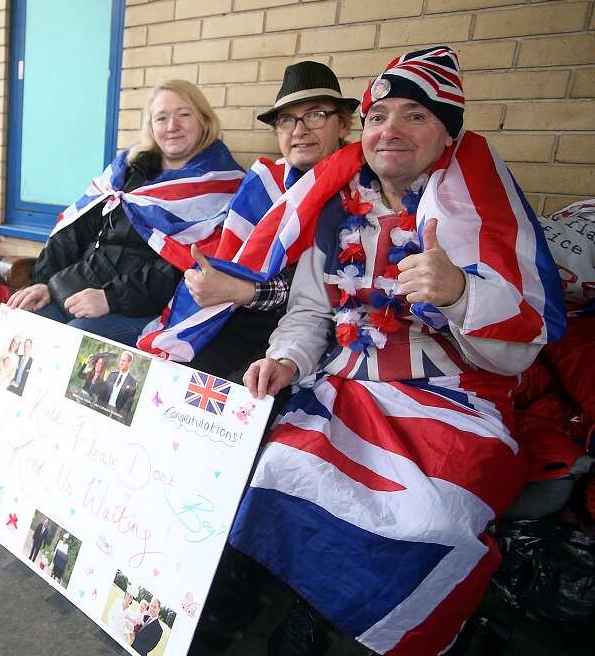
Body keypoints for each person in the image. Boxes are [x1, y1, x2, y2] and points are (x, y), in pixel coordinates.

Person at [224, 47, 565, 656]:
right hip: (347, 387)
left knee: (427, 520)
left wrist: (460, 293)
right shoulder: (331, 209)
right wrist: (286, 360)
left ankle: (381, 633)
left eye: (415, 116)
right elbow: (308, 314)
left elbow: (513, 358)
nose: (391, 131)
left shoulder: (475, 211)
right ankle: (307, 613)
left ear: (446, 132)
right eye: (379, 115)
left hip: (457, 402)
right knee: (274, 472)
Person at [138, 61, 359, 378]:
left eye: (316, 114)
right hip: (236, 319)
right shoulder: (265, 182)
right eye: (287, 120)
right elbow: (228, 256)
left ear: (343, 125)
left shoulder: (361, 193)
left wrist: (240, 291)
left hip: (310, 343)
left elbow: (313, 298)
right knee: (167, 379)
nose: (299, 130)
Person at [6, 80, 244, 346]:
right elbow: (75, 229)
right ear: (151, 127)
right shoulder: (127, 171)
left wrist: (110, 298)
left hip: (150, 307)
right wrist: (43, 281)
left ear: (203, 119)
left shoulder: (221, 185)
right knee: (27, 324)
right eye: (161, 117)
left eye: (184, 114)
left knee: (75, 341)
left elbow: (184, 268)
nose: (172, 126)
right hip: (85, 286)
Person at [102, 351, 138, 420]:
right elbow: (103, 393)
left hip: (117, 416)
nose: (121, 363)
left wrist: (121, 418)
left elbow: (128, 404)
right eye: (121, 360)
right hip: (103, 409)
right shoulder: (112, 375)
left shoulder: (132, 382)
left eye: (124, 361)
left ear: (129, 363)